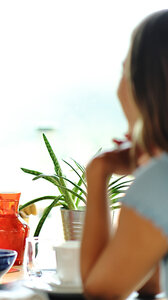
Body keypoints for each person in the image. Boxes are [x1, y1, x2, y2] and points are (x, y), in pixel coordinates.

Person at [81, 9, 168, 299]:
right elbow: (152, 282)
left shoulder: (161, 179)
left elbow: (100, 291)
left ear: (143, 86)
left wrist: (98, 170)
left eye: (124, 70)